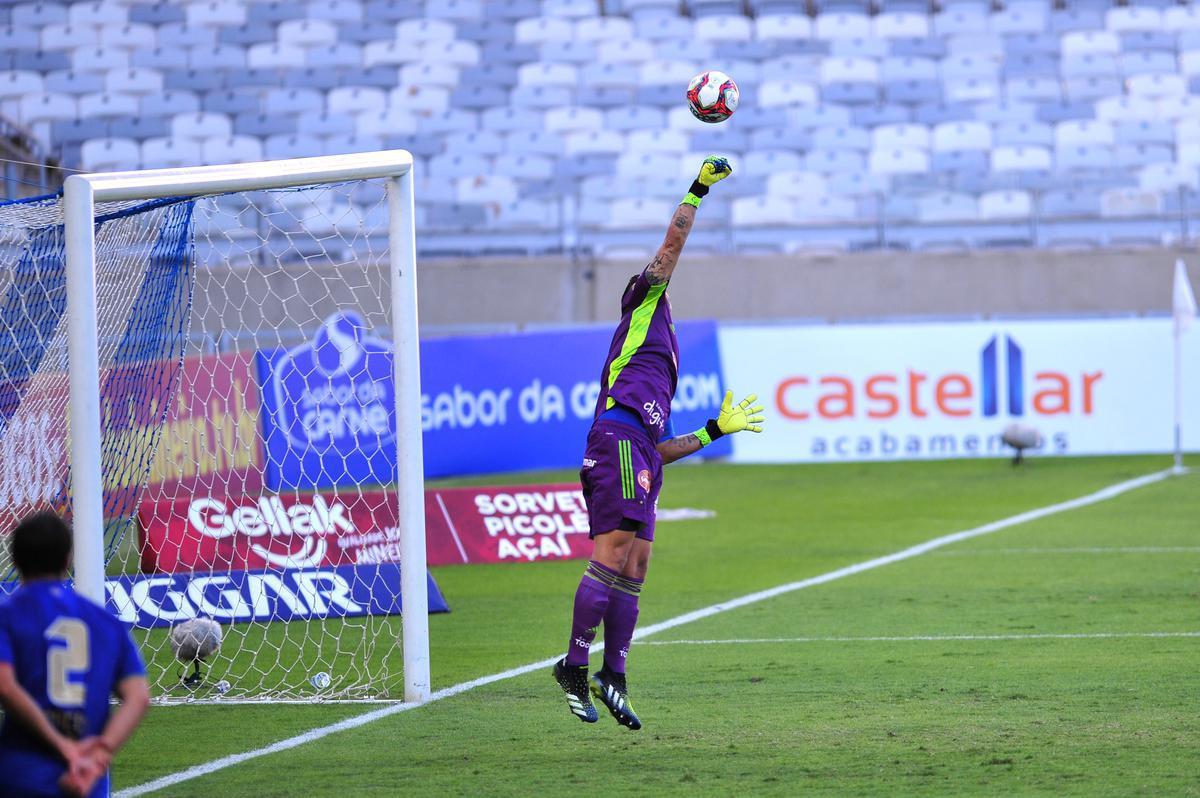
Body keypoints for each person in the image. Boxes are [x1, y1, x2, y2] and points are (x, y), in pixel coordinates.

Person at [553, 156, 765, 729]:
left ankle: (613, 676)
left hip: (640, 448)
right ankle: (573, 664)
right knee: (614, 550)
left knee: (638, 561)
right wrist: (697, 189)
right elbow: (673, 242)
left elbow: (660, 446)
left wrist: (713, 432)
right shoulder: (645, 300)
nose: (664, 275)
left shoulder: (667, 352)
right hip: (615, 438)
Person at [0, 511, 150, 797]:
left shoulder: (7, 615)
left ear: (15, 560)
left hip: (21, 774)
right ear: (68, 558)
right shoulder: (105, 621)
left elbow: (4, 684)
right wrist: (99, 754)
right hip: (86, 778)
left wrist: (61, 745)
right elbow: (139, 696)